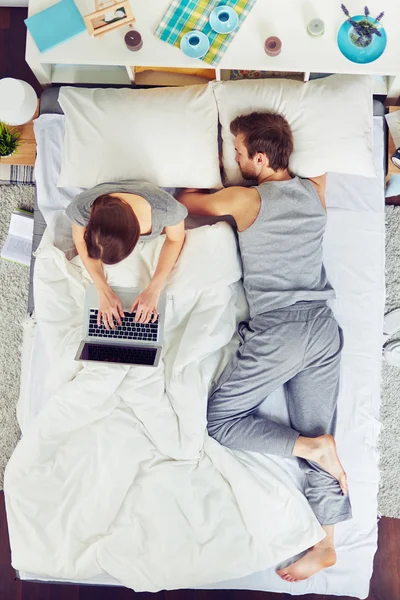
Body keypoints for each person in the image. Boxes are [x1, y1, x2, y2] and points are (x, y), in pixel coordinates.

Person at [178, 112, 352, 582]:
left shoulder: (245, 198)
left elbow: (185, 201)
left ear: (259, 158)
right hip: (322, 326)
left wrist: (221, 177)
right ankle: (328, 543)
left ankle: (308, 449)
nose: (234, 160)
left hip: (280, 331)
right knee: (321, 427)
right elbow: (318, 156)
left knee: (219, 421)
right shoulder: (315, 189)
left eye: (238, 153)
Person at [67, 181, 187, 328]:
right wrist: (102, 289)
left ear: (137, 236)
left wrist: (154, 290)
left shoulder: (165, 209)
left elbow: (175, 239)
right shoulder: (81, 208)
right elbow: (80, 240)